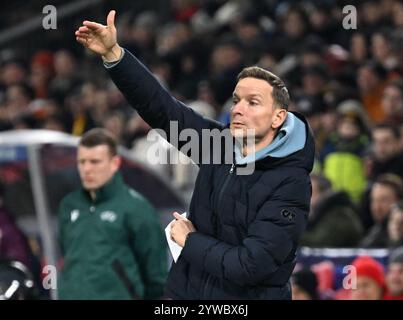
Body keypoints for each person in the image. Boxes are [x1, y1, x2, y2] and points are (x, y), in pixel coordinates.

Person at [75, 11, 315, 300]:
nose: (238, 109)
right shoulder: (219, 146)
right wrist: (115, 55)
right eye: (237, 100)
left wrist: (190, 241)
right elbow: (163, 110)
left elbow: (251, 265)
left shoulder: (290, 181)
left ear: (278, 118)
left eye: (253, 103)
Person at [57, 128, 167, 299]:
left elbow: (156, 276)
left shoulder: (137, 208)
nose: (86, 169)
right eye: (82, 161)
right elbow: (66, 256)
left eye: (95, 162)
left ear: (115, 163)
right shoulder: (69, 205)